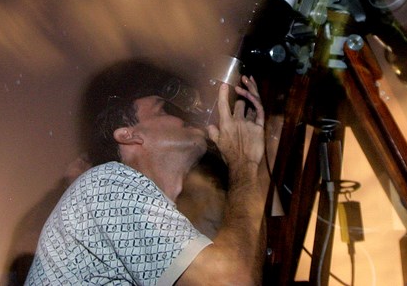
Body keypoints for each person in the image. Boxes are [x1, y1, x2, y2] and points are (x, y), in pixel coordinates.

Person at [24, 58, 268, 285]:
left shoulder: (153, 216)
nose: (182, 115)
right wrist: (244, 165)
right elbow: (232, 280)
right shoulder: (105, 187)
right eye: (163, 110)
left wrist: (255, 160)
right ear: (128, 135)